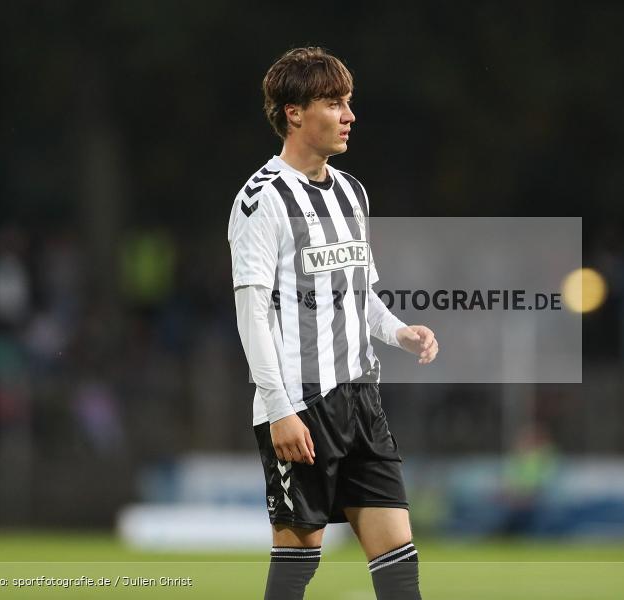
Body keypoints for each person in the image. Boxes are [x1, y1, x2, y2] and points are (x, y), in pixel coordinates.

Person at [228, 47, 438, 600]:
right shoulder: (262, 201)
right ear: (294, 113)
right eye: (333, 103)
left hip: (361, 400)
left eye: (348, 103)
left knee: (399, 557)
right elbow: (251, 315)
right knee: (299, 559)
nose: (349, 116)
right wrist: (280, 411)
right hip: (301, 403)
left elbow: (360, 292)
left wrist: (398, 332)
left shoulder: (351, 191)